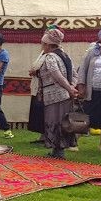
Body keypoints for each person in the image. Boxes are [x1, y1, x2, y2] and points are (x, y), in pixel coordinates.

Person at [30, 27, 78, 159]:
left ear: (47, 44)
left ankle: (58, 152)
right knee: (62, 122)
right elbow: (74, 74)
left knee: (54, 122)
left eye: (43, 44)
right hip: (66, 95)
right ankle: (57, 151)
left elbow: (56, 75)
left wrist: (69, 88)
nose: (42, 46)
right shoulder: (65, 55)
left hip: (54, 95)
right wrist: (72, 88)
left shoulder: (50, 57)